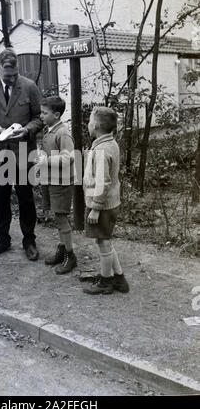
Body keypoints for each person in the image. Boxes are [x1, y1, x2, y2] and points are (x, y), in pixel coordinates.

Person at [0, 48, 43, 261]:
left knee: (25, 198)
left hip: (22, 153)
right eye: (7, 75)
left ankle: (29, 241)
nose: (11, 79)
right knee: (1, 200)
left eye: (14, 75)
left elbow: (39, 118)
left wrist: (28, 129)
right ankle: (2, 240)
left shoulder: (29, 87)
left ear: (18, 70)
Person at [82, 106, 129, 295]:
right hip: (110, 203)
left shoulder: (101, 150)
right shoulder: (110, 143)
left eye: (89, 121)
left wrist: (95, 208)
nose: (88, 124)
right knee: (106, 240)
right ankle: (119, 279)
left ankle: (106, 282)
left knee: (103, 243)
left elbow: (103, 182)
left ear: (95, 126)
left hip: (102, 205)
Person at [37, 96, 77, 274]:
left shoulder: (63, 133)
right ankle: (62, 249)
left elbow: (68, 157)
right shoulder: (50, 129)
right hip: (51, 180)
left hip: (61, 182)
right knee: (57, 217)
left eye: (44, 113)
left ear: (56, 114)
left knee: (61, 218)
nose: (41, 115)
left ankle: (70, 255)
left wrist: (46, 160)